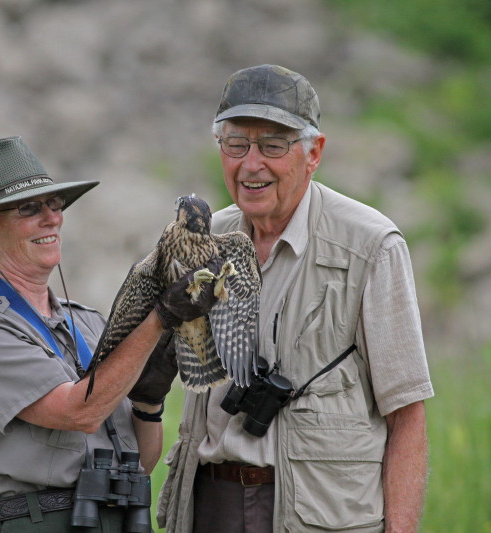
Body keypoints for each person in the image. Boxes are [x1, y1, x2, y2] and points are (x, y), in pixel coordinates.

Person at [130, 65, 435, 532]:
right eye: (236, 144)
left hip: (322, 516)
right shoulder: (202, 239)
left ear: (314, 153)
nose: (252, 164)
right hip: (208, 505)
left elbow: (407, 413)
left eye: (273, 145)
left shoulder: (370, 246)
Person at [0, 136, 221, 532]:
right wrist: (159, 319)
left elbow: (142, 463)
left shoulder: (88, 322)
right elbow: (79, 411)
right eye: (29, 209)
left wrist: (148, 402)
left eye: (53, 205)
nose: (52, 218)